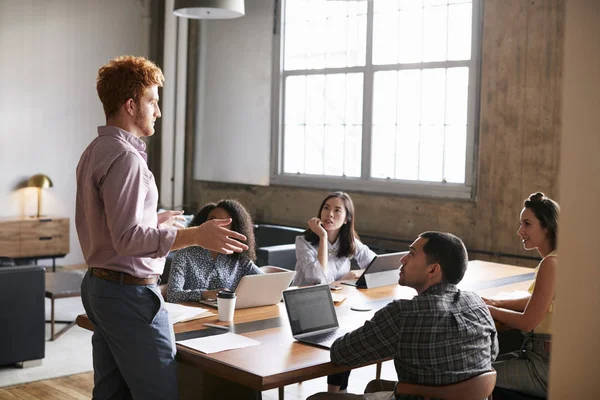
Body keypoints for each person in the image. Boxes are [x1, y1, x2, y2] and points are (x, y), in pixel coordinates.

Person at [76, 55, 248, 400]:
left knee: (111, 393)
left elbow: (110, 230)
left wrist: (155, 220)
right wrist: (197, 235)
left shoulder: (95, 150)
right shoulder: (126, 158)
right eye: (152, 101)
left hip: (101, 286)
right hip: (129, 293)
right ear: (130, 105)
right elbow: (127, 239)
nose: (157, 111)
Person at [308, 232, 499, 400]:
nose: (402, 259)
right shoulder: (477, 304)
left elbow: (341, 353)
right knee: (376, 386)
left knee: (317, 398)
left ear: (433, 270)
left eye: (412, 253)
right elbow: (492, 353)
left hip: (420, 397)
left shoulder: (404, 314)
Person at [483, 192, 559, 398]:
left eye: (527, 224)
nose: (520, 231)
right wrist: (496, 301)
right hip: (549, 357)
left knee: (474, 377)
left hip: (546, 366)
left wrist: (490, 310)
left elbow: (527, 322)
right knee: (482, 367)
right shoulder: (560, 258)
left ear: (548, 226)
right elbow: (541, 300)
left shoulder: (551, 264)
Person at [167, 199, 264, 302]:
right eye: (212, 220)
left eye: (224, 222)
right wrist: (205, 294)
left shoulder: (239, 258)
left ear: (233, 229)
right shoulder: (184, 255)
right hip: (193, 315)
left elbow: (266, 282)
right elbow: (172, 295)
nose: (216, 225)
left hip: (229, 314)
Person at [292, 191, 376, 287]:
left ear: (346, 219)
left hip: (339, 297)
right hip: (306, 298)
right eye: (326, 208)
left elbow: (377, 266)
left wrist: (354, 274)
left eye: (337, 210)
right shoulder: (303, 241)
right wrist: (323, 237)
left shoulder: (349, 241)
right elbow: (317, 279)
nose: (330, 214)